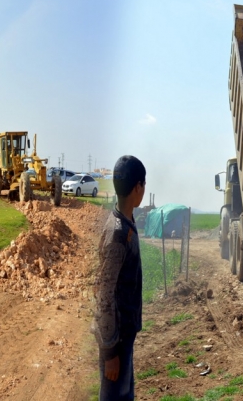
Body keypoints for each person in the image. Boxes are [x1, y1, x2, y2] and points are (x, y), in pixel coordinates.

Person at [93, 155, 146, 400]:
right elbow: (104, 295)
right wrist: (110, 352)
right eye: (143, 185)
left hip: (123, 337)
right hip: (116, 341)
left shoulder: (126, 222)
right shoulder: (117, 233)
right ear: (138, 187)